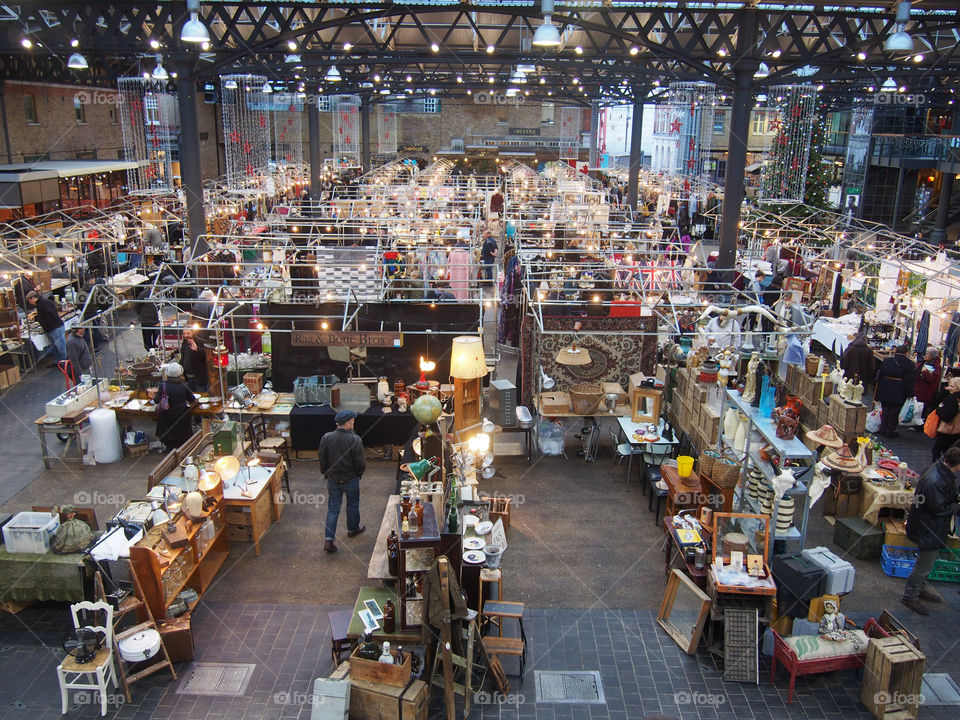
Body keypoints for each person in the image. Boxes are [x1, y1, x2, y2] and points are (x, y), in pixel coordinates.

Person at [902, 446, 960, 615]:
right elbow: (938, 509)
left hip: (926, 525)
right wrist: (956, 506)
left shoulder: (937, 469)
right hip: (929, 528)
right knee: (923, 565)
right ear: (957, 466)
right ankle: (910, 596)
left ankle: (920, 589)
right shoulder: (936, 481)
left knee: (927, 562)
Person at [318, 409, 366, 553]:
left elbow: (322, 457)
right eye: (352, 421)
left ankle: (328, 539)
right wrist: (358, 474)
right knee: (352, 505)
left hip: (333, 479)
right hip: (350, 479)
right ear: (347, 424)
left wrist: (326, 473)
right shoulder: (355, 440)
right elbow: (360, 463)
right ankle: (352, 529)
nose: (354, 423)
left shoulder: (326, 437)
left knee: (333, 508)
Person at [154, 363, 197, 453]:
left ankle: (169, 451)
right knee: (181, 441)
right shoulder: (184, 386)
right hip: (181, 418)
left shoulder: (163, 386)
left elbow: (156, 400)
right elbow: (193, 400)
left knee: (169, 442)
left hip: (166, 418)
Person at [875, 343, 915, 438]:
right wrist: (910, 393)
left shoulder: (888, 360)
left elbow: (881, 374)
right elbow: (909, 380)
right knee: (894, 410)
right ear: (906, 353)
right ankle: (890, 430)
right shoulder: (909, 364)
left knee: (885, 409)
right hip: (899, 389)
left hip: (885, 386)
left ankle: (882, 428)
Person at [26, 291, 66, 363]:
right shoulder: (41, 303)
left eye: (30, 301)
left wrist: (44, 323)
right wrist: (36, 318)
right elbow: (43, 315)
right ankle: (58, 361)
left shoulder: (44, 303)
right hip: (51, 328)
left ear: (33, 298)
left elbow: (50, 315)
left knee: (60, 346)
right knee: (55, 347)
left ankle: (64, 362)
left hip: (54, 327)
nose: (30, 303)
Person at [932, 377, 960, 461]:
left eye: (952, 386)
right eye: (949, 386)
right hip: (956, 431)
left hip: (946, 430)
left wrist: (939, 410)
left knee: (937, 450)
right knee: (948, 451)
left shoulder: (951, 399)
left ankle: (937, 468)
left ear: (958, 388)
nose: (949, 388)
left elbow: (946, 416)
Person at [914, 347, 943, 424]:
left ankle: (920, 424)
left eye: (927, 354)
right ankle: (913, 421)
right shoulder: (922, 362)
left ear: (932, 355)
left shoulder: (937, 366)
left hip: (926, 391)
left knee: (922, 408)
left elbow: (934, 379)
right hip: (917, 388)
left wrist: (925, 372)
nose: (925, 355)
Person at [179, 327, 208, 392]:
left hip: (199, 378)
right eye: (184, 333)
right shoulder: (184, 343)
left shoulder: (200, 342)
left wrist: (197, 349)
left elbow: (207, 355)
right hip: (188, 378)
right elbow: (183, 357)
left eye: (188, 333)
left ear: (193, 332)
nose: (186, 335)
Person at [137, 288, 159, 352]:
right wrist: (142, 314)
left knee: (156, 338)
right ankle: (149, 351)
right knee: (147, 339)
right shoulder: (144, 294)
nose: (156, 292)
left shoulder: (159, 293)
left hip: (155, 320)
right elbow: (137, 305)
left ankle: (156, 350)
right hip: (146, 320)